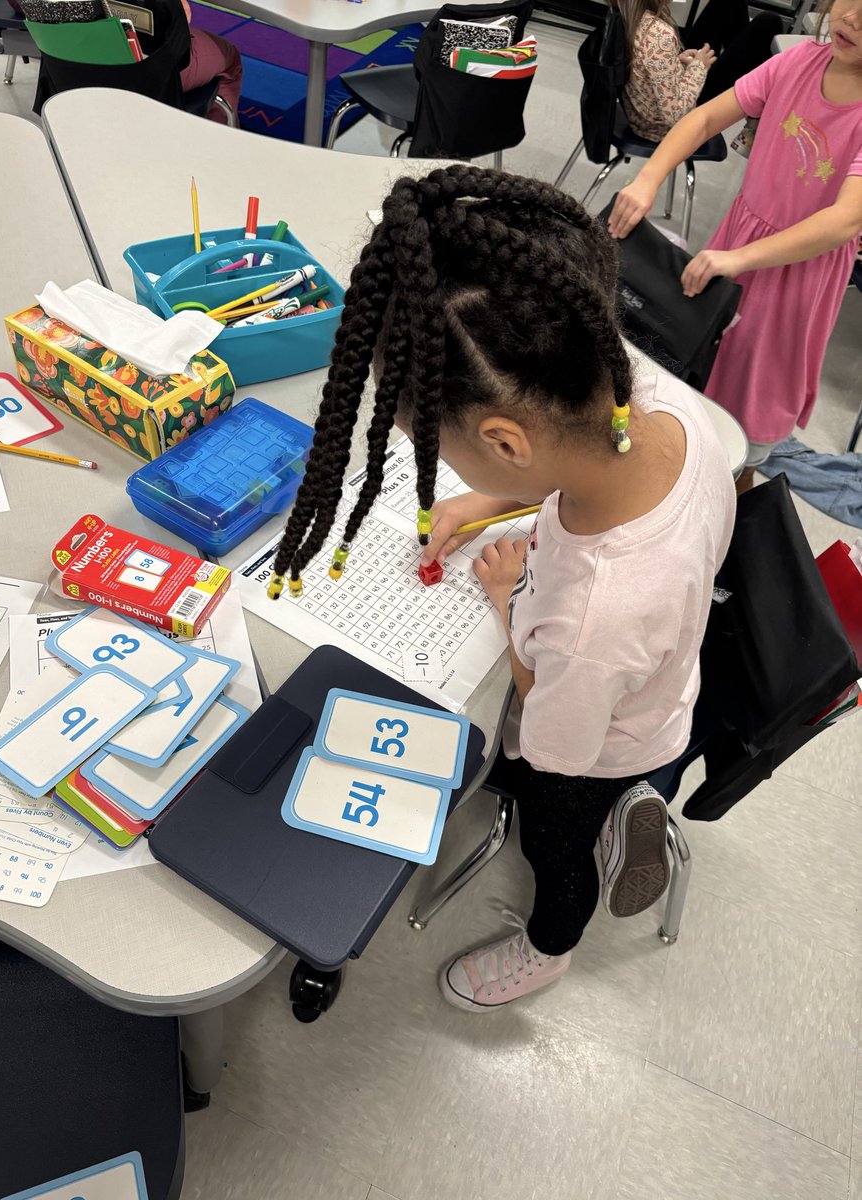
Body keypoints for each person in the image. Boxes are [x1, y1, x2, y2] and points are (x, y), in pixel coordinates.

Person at [268, 164, 736, 1012]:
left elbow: (553, 733)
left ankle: (552, 944)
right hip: (661, 677)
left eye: (446, 455)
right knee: (591, 751)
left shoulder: (595, 614)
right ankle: (642, 799)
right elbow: (571, 452)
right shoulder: (660, 406)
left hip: (596, 743)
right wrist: (489, 499)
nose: (447, 471)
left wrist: (509, 604)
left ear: (506, 440)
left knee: (553, 843)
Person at [609, 0, 862, 491]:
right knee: (699, 361)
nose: (853, 19)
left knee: (752, 405)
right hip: (738, 242)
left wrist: (740, 258)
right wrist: (647, 179)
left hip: (798, 274)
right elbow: (704, 120)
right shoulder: (797, 60)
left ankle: (728, 499)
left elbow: (844, 219)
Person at [613, 0, 782, 144]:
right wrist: (699, 67)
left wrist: (674, 61)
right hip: (672, 126)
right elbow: (676, 116)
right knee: (769, 23)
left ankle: (755, 113)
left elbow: (647, 63)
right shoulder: (660, 35)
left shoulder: (630, 12)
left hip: (649, 109)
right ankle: (757, 122)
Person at [179, 0, 242, 124]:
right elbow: (181, 15)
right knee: (229, 57)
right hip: (157, 60)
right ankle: (220, 135)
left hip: (132, 58)